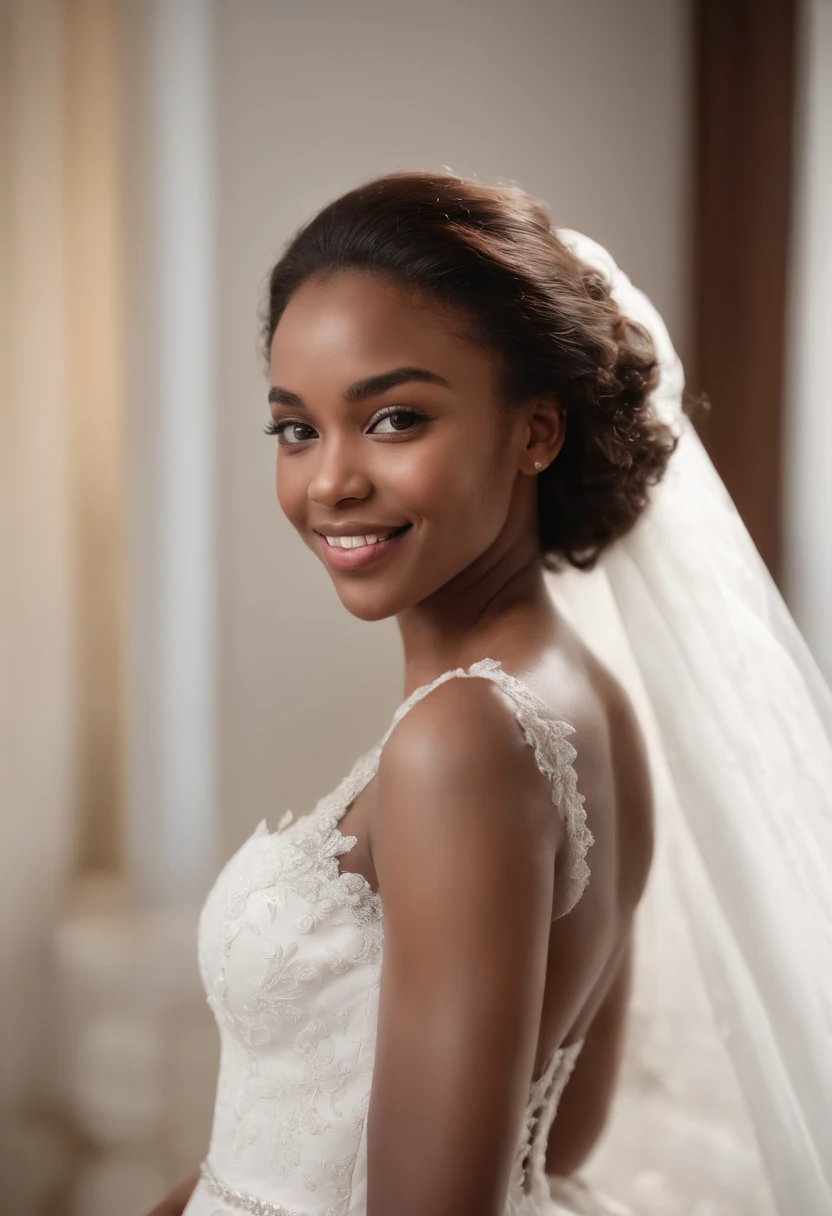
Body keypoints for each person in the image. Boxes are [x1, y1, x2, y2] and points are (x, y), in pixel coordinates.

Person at [149, 171, 832, 1216]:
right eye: (296, 428)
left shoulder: (461, 740)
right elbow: (568, 1122)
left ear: (535, 432)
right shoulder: (583, 700)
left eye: (393, 418)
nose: (329, 481)